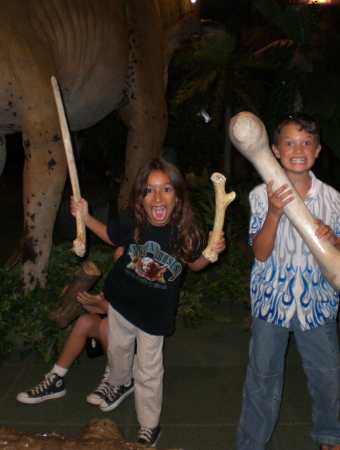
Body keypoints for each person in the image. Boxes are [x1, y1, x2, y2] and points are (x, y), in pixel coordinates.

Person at [70, 157, 225, 446]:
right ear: (139, 197)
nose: (157, 197)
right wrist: (87, 217)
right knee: (117, 350)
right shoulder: (132, 219)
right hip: (121, 301)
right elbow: (110, 234)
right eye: (149, 190)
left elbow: (195, 265)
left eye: (165, 189)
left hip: (155, 314)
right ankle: (119, 383)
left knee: (149, 369)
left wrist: (212, 252)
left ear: (177, 195)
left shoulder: (188, 229)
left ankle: (150, 425)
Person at [236, 112, 340, 450]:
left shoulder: (333, 198)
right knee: (262, 379)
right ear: (274, 150)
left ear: (318, 150)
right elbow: (261, 253)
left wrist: (333, 239)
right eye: (290, 142)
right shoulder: (258, 195)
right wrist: (274, 213)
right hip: (271, 304)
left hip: (318, 304)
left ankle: (330, 436)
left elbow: (338, 252)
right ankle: (251, 443)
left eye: (307, 142)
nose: (299, 149)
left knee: (328, 378)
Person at [16, 247, 125, 406]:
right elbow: (102, 309)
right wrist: (81, 299)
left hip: (136, 333)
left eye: (123, 256)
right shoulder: (116, 277)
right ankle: (56, 379)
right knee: (85, 322)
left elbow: (128, 315)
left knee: (106, 325)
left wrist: (101, 304)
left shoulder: (143, 279)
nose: (118, 258)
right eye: (116, 255)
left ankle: (114, 380)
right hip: (114, 326)